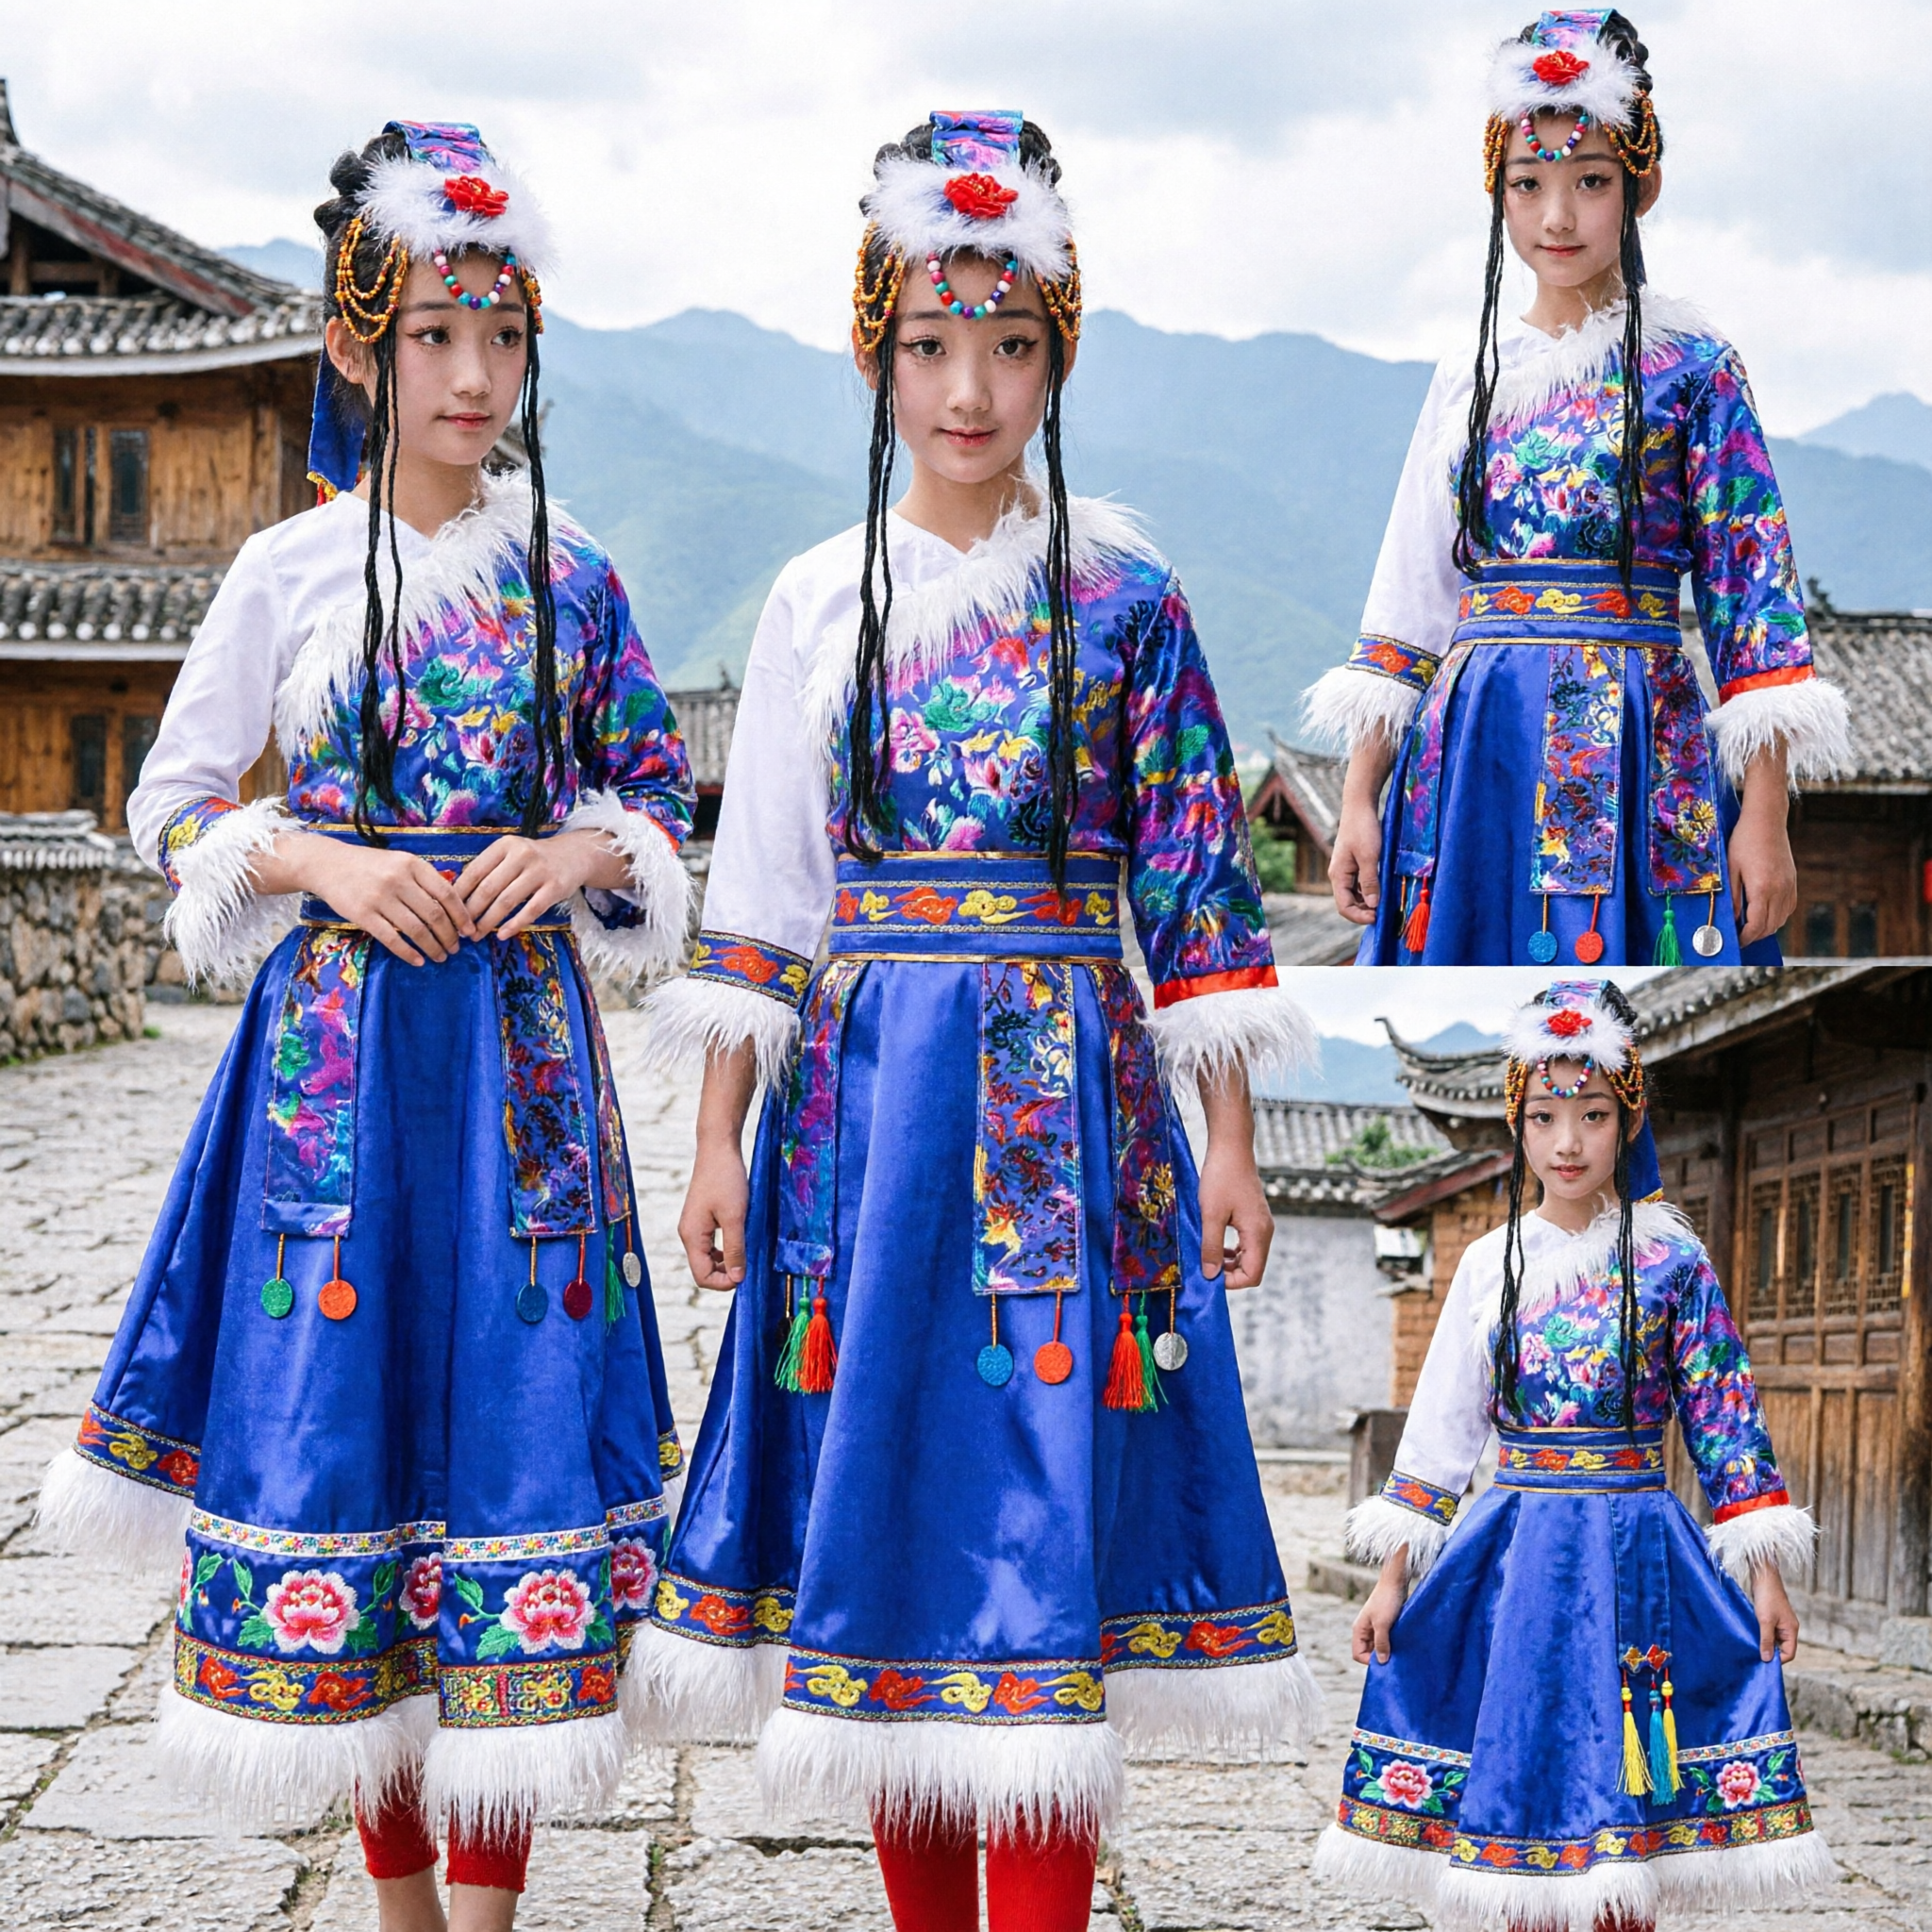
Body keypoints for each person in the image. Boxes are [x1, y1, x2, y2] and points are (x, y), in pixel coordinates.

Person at [636, 109, 1319, 1932]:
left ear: (1057, 354)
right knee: (896, 1553)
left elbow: (1193, 890)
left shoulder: (1130, 603)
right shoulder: (812, 600)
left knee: (1043, 1570)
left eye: (1010, 345)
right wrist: (715, 1133)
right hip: (863, 1133)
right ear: (876, 349)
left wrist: (1233, 1140)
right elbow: (766, 897)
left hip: (1069, 1126)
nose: (969, 388)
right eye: (931, 344)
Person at [35, 121, 695, 1931]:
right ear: (359, 345)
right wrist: (316, 856)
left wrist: (573, 850)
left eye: (503, 334)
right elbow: (174, 806)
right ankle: (403, 1915)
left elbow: (661, 809)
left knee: (508, 1475)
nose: (474, 374)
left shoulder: (577, 582)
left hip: (520, 1076)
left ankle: (481, 1916)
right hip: (333, 1075)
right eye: (433, 335)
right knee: (359, 1467)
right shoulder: (281, 575)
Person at [1307, 9, 1849, 968]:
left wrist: (1763, 815)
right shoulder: (1466, 376)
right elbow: (1408, 600)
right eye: (1529, 184)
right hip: (1472, 745)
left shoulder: (1692, 371)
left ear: (1638, 186)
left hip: (1640, 749)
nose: (1556, 216)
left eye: (1588, 182)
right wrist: (1358, 795)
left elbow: (1751, 606)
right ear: (1498, 193)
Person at [1313, 980, 1836, 1930]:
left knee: (1626, 1809)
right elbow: (1441, 1429)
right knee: (1522, 1793)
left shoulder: (1671, 1260)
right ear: (1514, 1123)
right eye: (1543, 1115)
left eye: (1591, 1115)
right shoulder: (1487, 1261)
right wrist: (1391, 1576)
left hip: (1637, 1549)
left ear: (1625, 1119)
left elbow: (1723, 1418)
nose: (1566, 1141)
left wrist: (1762, 1571)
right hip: (1515, 1554)